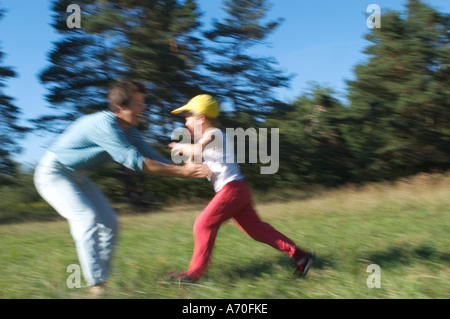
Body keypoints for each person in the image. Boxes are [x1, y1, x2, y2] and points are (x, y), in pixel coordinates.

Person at [33, 80, 211, 294]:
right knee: (86, 219)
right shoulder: (104, 124)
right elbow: (134, 161)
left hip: (78, 177)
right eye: (138, 103)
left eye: (143, 103)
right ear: (119, 107)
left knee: (110, 223)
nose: (143, 108)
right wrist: (183, 172)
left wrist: (186, 169)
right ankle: (97, 286)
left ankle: (102, 281)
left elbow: (151, 157)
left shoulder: (129, 131)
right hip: (53, 173)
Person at [168, 94, 315, 282]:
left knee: (203, 224)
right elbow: (192, 163)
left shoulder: (214, 133)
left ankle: (194, 273)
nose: (186, 122)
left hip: (232, 190)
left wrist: (182, 147)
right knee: (256, 230)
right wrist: (193, 163)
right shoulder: (206, 139)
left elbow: (195, 151)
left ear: (201, 119)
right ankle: (301, 257)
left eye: (188, 117)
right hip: (237, 190)